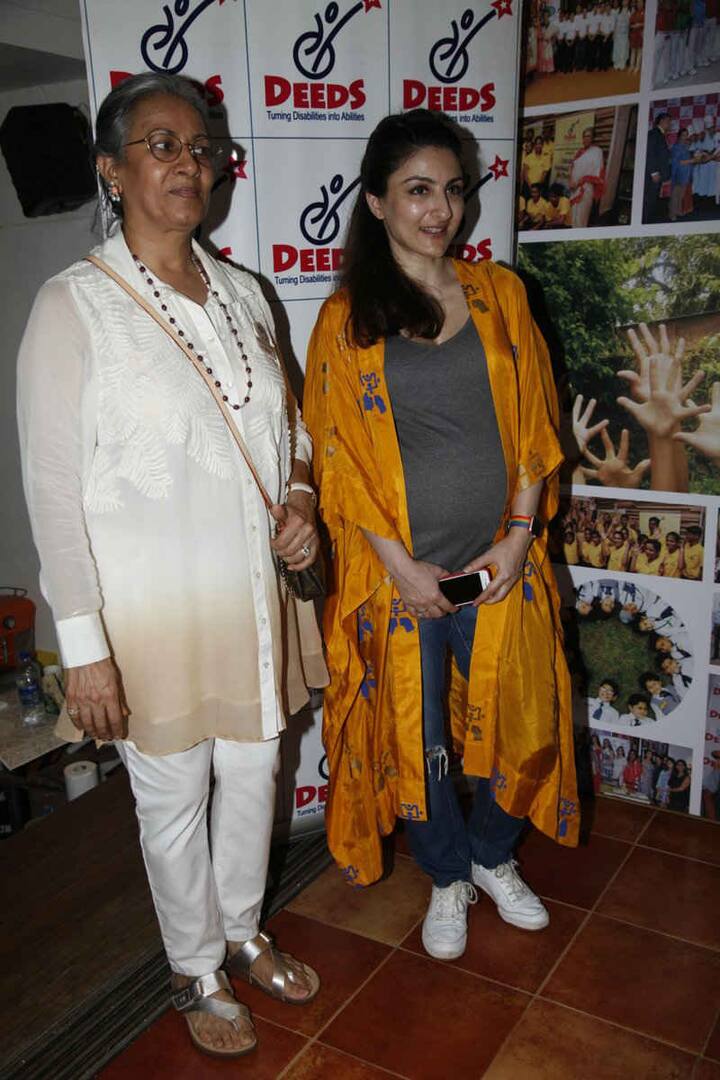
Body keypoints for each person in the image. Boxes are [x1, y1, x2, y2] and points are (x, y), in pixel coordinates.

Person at [16, 73, 327, 1060]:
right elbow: (51, 494)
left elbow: (296, 431)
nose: (188, 164)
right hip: (147, 614)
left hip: (252, 603)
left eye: (201, 148)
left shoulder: (247, 294)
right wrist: (85, 650)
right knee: (173, 798)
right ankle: (194, 965)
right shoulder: (73, 306)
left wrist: (302, 501)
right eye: (161, 145)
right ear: (111, 170)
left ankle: (242, 931)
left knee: (256, 773)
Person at [303, 109, 579, 962]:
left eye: (452, 190)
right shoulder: (346, 320)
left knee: (524, 720)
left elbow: (534, 424)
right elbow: (339, 458)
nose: (440, 210)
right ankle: (448, 874)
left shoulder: (500, 293)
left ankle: (493, 853)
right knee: (417, 742)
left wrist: (520, 536)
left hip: (500, 563)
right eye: (418, 191)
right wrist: (399, 568)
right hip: (402, 580)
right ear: (377, 202)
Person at [569, 128, 605, 227]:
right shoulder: (579, 152)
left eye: (588, 136)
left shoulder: (597, 152)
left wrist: (579, 182)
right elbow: (572, 166)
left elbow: (597, 173)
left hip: (586, 188)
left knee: (581, 218)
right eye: (584, 136)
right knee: (573, 217)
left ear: (593, 138)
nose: (586, 138)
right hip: (574, 188)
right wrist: (571, 181)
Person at [644, 113, 671, 223]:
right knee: (649, 201)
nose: (670, 124)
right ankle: (645, 222)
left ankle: (647, 221)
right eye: (668, 121)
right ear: (662, 121)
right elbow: (649, 153)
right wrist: (654, 172)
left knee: (652, 200)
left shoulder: (660, 134)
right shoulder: (654, 133)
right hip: (653, 176)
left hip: (657, 175)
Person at [669, 128, 695, 221]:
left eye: (686, 135)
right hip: (679, 174)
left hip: (686, 174)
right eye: (683, 135)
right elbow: (677, 162)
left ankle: (678, 211)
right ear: (679, 136)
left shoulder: (685, 146)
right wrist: (692, 160)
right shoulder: (676, 147)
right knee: (675, 195)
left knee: (681, 194)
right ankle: (672, 213)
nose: (685, 137)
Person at [629, 0, 645, 69]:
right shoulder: (634, 13)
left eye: (641, 3)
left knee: (639, 50)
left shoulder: (645, 12)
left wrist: (640, 24)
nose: (639, 4)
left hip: (641, 34)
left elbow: (647, 23)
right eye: (638, 3)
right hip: (634, 34)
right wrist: (633, 26)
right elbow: (630, 24)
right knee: (633, 50)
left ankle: (637, 67)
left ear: (643, 4)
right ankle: (631, 66)